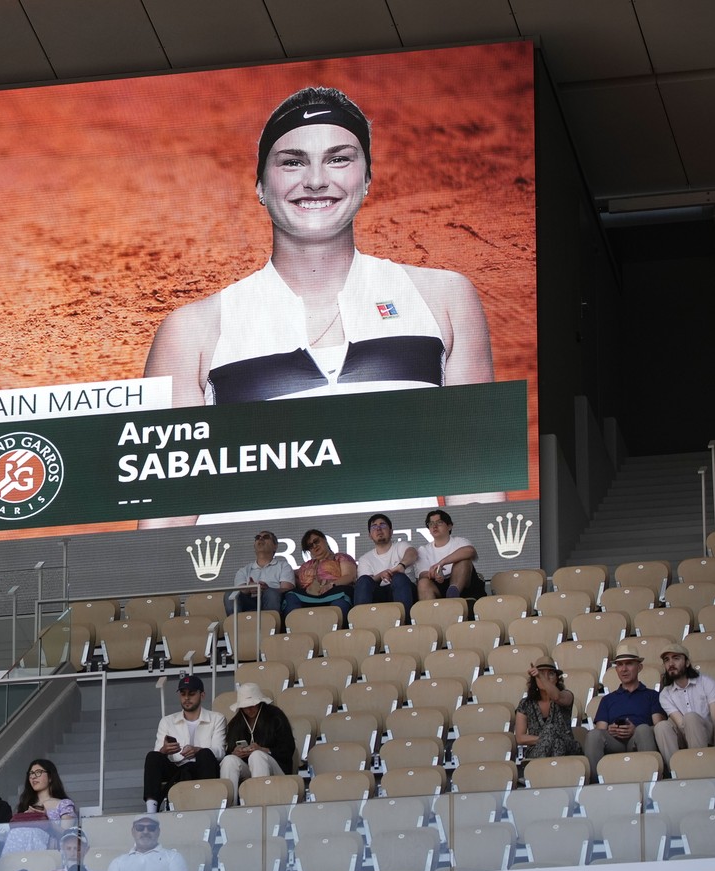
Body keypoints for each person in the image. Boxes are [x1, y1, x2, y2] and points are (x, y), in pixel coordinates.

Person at [141, 86, 496, 527]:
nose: (314, 180)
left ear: (367, 179)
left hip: (399, 586)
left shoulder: (443, 299)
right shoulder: (192, 331)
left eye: (338, 159)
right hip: (247, 592)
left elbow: (476, 486)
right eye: (292, 161)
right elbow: (164, 523)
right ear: (260, 186)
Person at [143, 673, 227, 812]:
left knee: (205, 754)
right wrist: (165, 750)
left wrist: (197, 750)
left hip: (202, 767)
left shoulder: (216, 718)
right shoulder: (167, 721)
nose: (186, 698)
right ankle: (151, 809)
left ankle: (207, 807)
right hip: (177, 767)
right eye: (183, 694)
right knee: (153, 756)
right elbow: (158, 752)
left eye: (191, 693)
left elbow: (220, 751)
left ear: (202, 695)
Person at [582, 642, 664, 778]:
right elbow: (600, 730)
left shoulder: (652, 695)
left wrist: (635, 729)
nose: (624, 669)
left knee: (643, 729)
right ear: (616, 670)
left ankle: (649, 779)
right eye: (620, 665)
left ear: (639, 667)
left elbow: (658, 727)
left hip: (640, 737)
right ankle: (596, 783)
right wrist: (611, 730)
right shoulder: (607, 699)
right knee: (593, 735)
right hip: (615, 741)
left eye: (629, 663)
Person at [653, 641, 715, 769]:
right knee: (661, 726)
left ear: (687, 662)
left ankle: (700, 768)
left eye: (676, 658)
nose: (671, 664)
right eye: (666, 660)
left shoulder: (707, 682)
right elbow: (682, 726)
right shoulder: (665, 694)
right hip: (687, 736)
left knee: (691, 717)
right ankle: (676, 771)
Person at [219, 682, 296, 798]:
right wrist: (235, 753)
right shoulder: (236, 723)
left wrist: (264, 750)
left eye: (252, 705)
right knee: (229, 760)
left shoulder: (275, 716)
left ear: (260, 702)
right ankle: (229, 805)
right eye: (245, 707)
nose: (249, 709)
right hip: (248, 768)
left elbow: (288, 748)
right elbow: (228, 750)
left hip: (277, 767)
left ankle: (259, 803)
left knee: (257, 756)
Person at [1, 759, 78, 856]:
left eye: (38, 772)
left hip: (49, 854)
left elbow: (67, 836)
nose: (33, 777)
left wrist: (47, 822)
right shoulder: (26, 806)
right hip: (21, 853)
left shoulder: (64, 804)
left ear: (50, 777)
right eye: (31, 773)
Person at [513, 657, 581, 759]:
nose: (546, 677)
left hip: (567, 746)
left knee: (557, 739)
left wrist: (541, 676)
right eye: (541, 674)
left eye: (550, 674)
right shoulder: (525, 704)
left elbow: (556, 697)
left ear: (557, 678)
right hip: (538, 748)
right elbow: (520, 738)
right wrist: (547, 739)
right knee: (554, 739)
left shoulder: (567, 695)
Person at [103, 815, 189, 871]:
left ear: (158, 832)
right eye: (140, 827)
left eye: (151, 828)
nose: (145, 831)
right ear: (133, 832)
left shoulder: (173, 856)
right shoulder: (118, 861)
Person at [352, 513, 417, 618]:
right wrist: (382, 574)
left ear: (391, 532)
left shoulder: (400, 546)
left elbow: (412, 553)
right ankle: (361, 624)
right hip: (380, 594)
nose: (378, 529)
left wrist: (401, 566)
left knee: (399, 578)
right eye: (374, 527)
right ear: (369, 535)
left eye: (383, 525)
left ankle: (405, 623)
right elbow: (366, 584)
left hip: (405, 591)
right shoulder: (365, 558)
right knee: (364, 580)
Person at [282, 529, 358, 617]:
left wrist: (330, 585)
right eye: (310, 546)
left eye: (316, 541)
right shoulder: (306, 565)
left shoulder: (341, 557)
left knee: (341, 600)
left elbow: (349, 576)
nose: (314, 546)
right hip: (309, 596)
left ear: (325, 539)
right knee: (291, 596)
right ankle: (296, 627)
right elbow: (289, 575)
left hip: (335, 592)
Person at [412, 509, 484, 601]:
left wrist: (442, 562)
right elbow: (422, 574)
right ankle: (429, 613)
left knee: (463, 560)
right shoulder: (423, 549)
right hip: (438, 586)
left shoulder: (460, 541)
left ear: (449, 526)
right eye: (431, 524)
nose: (434, 526)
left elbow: (470, 551)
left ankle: (452, 596)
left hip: (464, 588)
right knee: (423, 583)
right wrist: (435, 574)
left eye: (439, 522)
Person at [227, 529, 295, 614]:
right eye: (257, 538)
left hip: (274, 602)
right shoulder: (243, 571)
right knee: (230, 594)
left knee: (271, 593)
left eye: (266, 537)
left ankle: (271, 623)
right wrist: (248, 588)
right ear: (254, 546)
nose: (260, 539)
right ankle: (234, 625)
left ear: (275, 546)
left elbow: (287, 589)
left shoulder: (284, 566)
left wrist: (267, 589)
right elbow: (238, 591)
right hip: (249, 602)